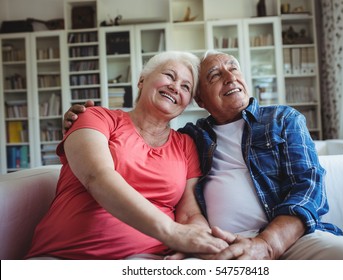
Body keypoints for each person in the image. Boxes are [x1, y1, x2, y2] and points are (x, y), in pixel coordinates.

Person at [64, 50, 343, 260]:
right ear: (199, 99)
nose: (230, 78)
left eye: (234, 69)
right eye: (215, 75)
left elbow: (308, 188)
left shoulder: (283, 119)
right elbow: (138, 142)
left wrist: (266, 244)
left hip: (289, 239)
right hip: (222, 247)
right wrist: (79, 119)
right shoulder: (192, 138)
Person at [25, 51, 231, 260]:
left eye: (186, 87)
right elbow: (97, 176)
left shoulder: (186, 144)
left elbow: (190, 214)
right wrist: (173, 233)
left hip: (148, 258)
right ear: (142, 80)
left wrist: (197, 243)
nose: (175, 87)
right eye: (169, 75)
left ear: (187, 102)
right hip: (66, 255)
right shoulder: (96, 117)